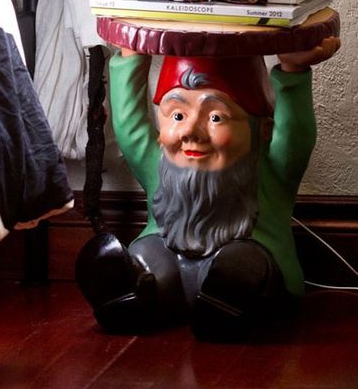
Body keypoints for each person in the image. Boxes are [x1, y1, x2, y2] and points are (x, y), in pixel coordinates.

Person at [75, 36, 340, 342]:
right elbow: (129, 127)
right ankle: (128, 293)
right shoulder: (159, 163)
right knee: (148, 256)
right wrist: (131, 57)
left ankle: (229, 300)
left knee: (243, 264)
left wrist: (293, 70)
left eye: (216, 117)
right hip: (167, 260)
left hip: (250, 269)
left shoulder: (267, 171)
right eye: (177, 116)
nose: (191, 131)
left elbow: (296, 138)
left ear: (263, 130)